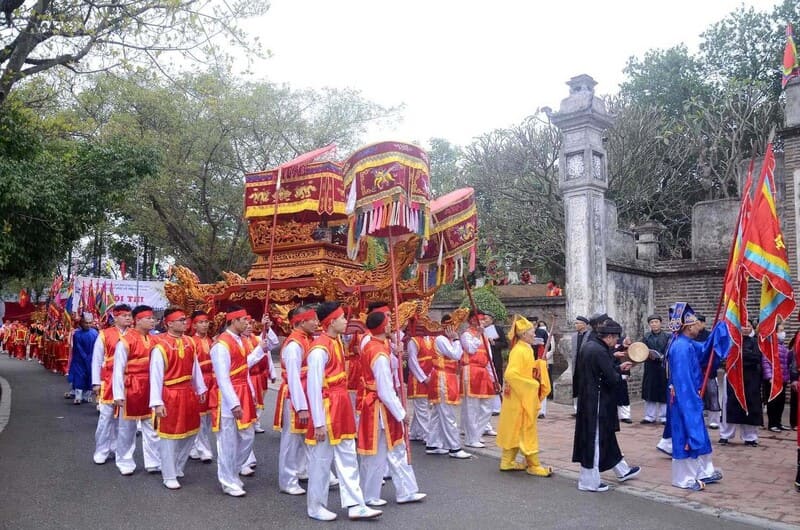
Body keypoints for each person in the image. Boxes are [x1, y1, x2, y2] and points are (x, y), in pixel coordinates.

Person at [305, 301, 381, 521]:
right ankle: (315, 506)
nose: (345, 321)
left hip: (341, 405)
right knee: (321, 460)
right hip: (327, 409)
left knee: (348, 455)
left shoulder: (336, 341)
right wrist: (318, 422)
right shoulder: (319, 349)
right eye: (341, 318)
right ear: (331, 322)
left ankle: (356, 504)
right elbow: (313, 388)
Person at [357, 310, 426, 506]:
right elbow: (385, 389)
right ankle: (370, 495)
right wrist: (401, 413)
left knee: (394, 450)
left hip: (381, 406)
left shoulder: (376, 345)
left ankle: (406, 490)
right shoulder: (377, 352)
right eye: (388, 322)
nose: (390, 326)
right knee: (379, 452)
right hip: (380, 409)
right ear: (382, 326)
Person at [210, 305, 278, 497]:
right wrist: (233, 403)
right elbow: (223, 377)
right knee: (228, 441)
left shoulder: (240, 340)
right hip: (228, 396)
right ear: (233, 321)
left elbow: (244, 365)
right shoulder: (221, 345)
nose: (248, 323)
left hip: (244, 391)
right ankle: (227, 481)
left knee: (247, 435)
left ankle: (233, 471)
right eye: (244, 320)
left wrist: (259, 350)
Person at [572, 318, 641, 492]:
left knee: (603, 437)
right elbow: (610, 378)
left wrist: (618, 368)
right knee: (593, 439)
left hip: (590, 397)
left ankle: (621, 469)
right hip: (596, 400)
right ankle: (589, 481)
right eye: (615, 338)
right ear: (609, 337)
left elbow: (601, 371)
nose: (616, 341)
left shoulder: (591, 346)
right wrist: (621, 374)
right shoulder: (599, 351)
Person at [666, 302, 726, 490]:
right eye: (696, 324)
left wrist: (718, 332)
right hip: (685, 399)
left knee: (697, 433)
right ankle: (685, 478)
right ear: (688, 326)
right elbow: (683, 381)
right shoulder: (681, 348)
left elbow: (704, 351)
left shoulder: (688, 343)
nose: (700, 327)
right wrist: (691, 402)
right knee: (687, 435)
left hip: (691, 397)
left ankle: (704, 471)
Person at [149, 308, 207, 489]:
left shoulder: (190, 342)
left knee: (191, 432)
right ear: (169, 323)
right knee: (169, 437)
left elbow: (195, 367)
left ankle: (177, 466)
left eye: (185, 320)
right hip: (170, 394)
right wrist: (157, 402)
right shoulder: (160, 346)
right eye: (180, 320)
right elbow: (156, 376)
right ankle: (168, 475)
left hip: (188, 392)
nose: (185, 322)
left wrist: (201, 387)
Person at [496, 315, 552, 476]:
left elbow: (526, 369)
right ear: (523, 335)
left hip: (517, 397)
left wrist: (538, 365)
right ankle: (533, 465)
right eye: (532, 332)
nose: (534, 334)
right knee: (526, 430)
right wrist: (532, 385)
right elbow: (511, 375)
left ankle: (507, 462)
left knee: (515, 429)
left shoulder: (525, 348)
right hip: (519, 397)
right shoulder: (519, 351)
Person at [113, 305, 161, 475]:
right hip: (131, 387)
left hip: (150, 386)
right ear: (137, 320)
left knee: (152, 425)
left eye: (153, 318)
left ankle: (153, 461)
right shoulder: (126, 340)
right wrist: (117, 393)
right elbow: (118, 368)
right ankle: (124, 461)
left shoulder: (156, 340)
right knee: (127, 428)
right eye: (148, 318)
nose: (152, 321)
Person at [274, 305, 316, 496]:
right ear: (300, 321)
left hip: (307, 393)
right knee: (291, 441)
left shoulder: (308, 340)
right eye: (313, 319)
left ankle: (302, 469)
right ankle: (287, 480)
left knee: (304, 437)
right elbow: (293, 378)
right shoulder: (294, 345)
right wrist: (301, 407)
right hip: (294, 396)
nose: (316, 323)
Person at [91, 304, 132, 465]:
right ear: (115, 317)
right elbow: (96, 359)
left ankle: (117, 449)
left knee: (123, 420)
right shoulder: (104, 334)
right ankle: (101, 450)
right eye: (124, 315)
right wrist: (96, 382)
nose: (128, 318)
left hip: (129, 381)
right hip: (108, 381)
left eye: (129, 315)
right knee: (105, 418)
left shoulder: (134, 335)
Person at [425, 314, 471, 459]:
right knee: (448, 415)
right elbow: (455, 355)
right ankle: (454, 447)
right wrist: (457, 340)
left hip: (446, 378)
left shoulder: (445, 340)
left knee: (438, 415)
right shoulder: (441, 339)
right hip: (443, 379)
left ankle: (432, 444)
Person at [719, 319, 763, 447]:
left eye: (748, 325)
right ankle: (725, 435)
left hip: (750, 379)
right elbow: (724, 358)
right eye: (743, 325)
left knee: (750, 406)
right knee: (729, 406)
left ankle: (750, 437)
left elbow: (756, 357)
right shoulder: (732, 341)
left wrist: (740, 355)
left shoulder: (756, 342)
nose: (745, 328)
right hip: (733, 377)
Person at [459, 310, 499, 448]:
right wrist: (478, 334)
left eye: (484, 320)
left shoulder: (485, 337)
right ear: (472, 321)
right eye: (480, 320)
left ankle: (477, 434)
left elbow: (489, 359)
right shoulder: (466, 335)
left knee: (487, 406)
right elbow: (470, 349)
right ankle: (471, 438)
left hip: (483, 372)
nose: (483, 322)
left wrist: (494, 379)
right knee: (472, 407)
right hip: (470, 371)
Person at [189, 310, 214, 462]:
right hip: (198, 381)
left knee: (209, 417)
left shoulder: (212, 341)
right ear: (194, 324)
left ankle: (196, 446)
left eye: (206, 322)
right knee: (199, 417)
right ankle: (203, 448)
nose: (204, 325)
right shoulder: (191, 342)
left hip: (212, 380)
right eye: (201, 322)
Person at [762, 321, 790, 432]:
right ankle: (772, 424)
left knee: (781, 401)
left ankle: (778, 423)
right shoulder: (770, 345)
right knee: (773, 402)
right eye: (781, 330)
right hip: (772, 380)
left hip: (782, 379)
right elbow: (765, 361)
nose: (783, 333)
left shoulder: (783, 346)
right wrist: (769, 377)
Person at [407, 332, 435, 444]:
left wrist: (432, 376)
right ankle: (429, 435)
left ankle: (415, 432)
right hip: (418, 379)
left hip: (431, 375)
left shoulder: (434, 339)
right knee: (422, 408)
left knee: (423, 407)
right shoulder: (413, 341)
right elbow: (412, 361)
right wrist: (423, 378)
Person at [641, 315, 669, 424]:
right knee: (649, 390)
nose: (654, 324)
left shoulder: (667, 336)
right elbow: (641, 350)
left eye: (656, 322)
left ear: (660, 323)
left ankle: (664, 416)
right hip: (650, 366)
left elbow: (669, 349)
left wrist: (663, 356)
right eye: (652, 322)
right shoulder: (646, 337)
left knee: (663, 391)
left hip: (663, 367)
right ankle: (649, 416)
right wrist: (648, 355)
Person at [69, 313, 98, 405]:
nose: (88, 325)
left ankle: (87, 395)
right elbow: (78, 347)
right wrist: (85, 357)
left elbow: (97, 346)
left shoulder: (95, 333)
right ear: (82, 323)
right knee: (79, 376)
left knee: (90, 376)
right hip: (79, 359)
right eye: (86, 323)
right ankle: (78, 396)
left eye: (90, 323)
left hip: (92, 358)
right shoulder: (77, 334)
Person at [572, 316, 590, 415]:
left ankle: (586, 409)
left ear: (584, 324)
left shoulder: (590, 335)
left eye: (577, 323)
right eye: (575, 323)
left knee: (585, 387)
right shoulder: (574, 336)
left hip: (586, 365)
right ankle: (577, 410)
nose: (576, 325)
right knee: (576, 387)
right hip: (576, 365)